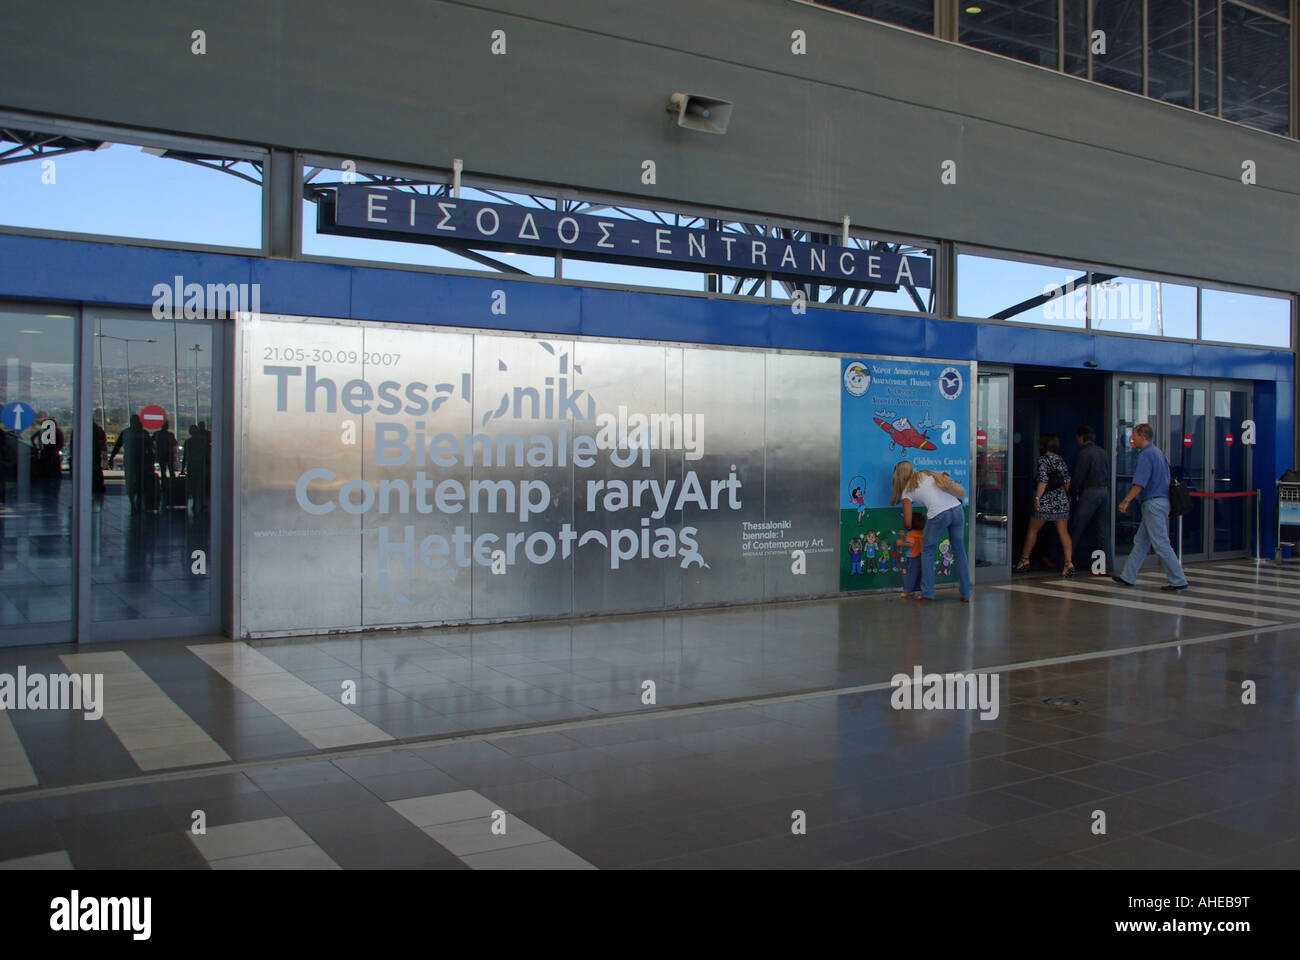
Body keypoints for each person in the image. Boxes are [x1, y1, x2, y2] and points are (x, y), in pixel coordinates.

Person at [1113, 423, 1188, 591]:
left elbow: (1140, 482)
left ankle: (1178, 580)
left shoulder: (1146, 455)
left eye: (1135, 435)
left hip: (1153, 503)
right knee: (1141, 541)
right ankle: (1128, 575)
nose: (1132, 438)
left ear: (1143, 436)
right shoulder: (1159, 452)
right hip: (1162, 501)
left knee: (1161, 543)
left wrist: (1126, 500)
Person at [890, 460, 971, 603]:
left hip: (938, 514)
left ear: (898, 477)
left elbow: (908, 523)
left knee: (927, 551)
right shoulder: (925, 474)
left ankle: (927, 593)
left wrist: (907, 527)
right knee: (959, 550)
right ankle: (966, 593)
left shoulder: (906, 492)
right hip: (957, 509)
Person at [1014, 433, 1074, 576]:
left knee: (1033, 530)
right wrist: (1067, 495)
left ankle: (1024, 560)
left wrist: (1037, 498)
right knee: (1064, 533)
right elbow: (1067, 480)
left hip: (1046, 502)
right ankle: (1068, 563)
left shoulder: (1043, 460)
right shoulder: (1061, 460)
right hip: (1060, 501)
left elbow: (1043, 480)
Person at [1069, 425, 1110, 575]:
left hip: (1090, 492)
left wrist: (1071, 495)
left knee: (1076, 528)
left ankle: (1066, 562)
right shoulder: (1103, 452)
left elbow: (1079, 477)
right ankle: (1107, 567)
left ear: (1081, 438)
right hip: (1104, 492)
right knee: (1103, 530)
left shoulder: (1084, 453)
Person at [108, 415, 152, 513]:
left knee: (131, 483)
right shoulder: (144, 433)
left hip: (131, 461)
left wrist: (111, 458)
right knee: (141, 484)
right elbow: (150, 450)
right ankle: (137, 502)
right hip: (141, 462)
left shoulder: (126, 433)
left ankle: (133, 503)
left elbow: (117, 447)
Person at [896, 514, 926, 599]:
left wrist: (901, 543)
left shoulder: (912, 533)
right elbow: (913, 541)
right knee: (918, 574)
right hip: (919, 556)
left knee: (910, 574)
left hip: (912, 557)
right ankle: (917, 590)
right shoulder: (921, 532)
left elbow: (911, 544)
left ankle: (907, 591)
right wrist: (905, 536)